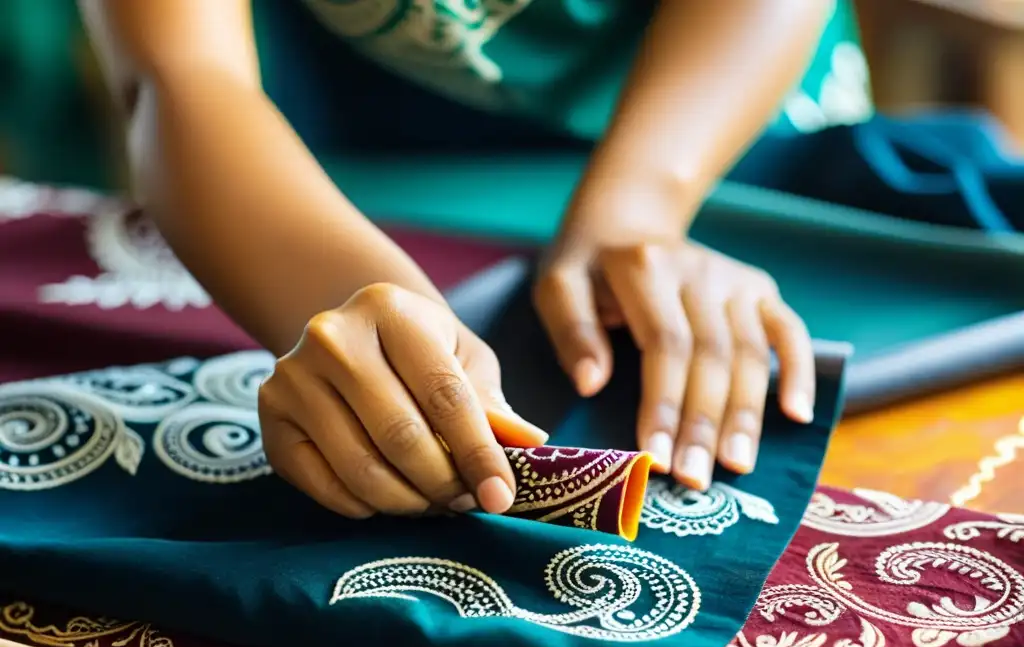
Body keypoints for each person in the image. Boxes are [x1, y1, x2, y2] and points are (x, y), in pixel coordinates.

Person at [78, 0, 840, 520]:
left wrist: (641, 206)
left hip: (720, 136)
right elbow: (179, 74)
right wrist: (382, 321)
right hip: (352, 175)